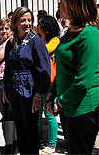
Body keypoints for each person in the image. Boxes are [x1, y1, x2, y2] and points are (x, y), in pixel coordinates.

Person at [45, 0, 99, 154]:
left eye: (61, 2)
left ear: (73, 5)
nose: (58, 6)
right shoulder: (70, 33)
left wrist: (59, 103)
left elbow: (84, 80)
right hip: (68, 105)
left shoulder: (89, 35)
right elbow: (62, 69)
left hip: (82, 108)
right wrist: (52, 95)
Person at [3, 6, 51, 154]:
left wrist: (38, 94)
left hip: (29, 90)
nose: (27, 24)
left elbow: (43, 69)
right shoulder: (11, 43)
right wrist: (6, 88)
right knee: (19, 126)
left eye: (29, 20)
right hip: (14, 89)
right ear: (15, 23)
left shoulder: (35, 41)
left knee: (30, 128)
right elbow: (8, 66)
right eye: (23, 20)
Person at [36, 15, 60, 155]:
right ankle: (38, 137)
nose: (36, 25)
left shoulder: (55, 41)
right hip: (39, 81)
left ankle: (52, 143)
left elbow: (43, 52)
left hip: (50, 82)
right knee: (38, 111)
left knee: (50, 113)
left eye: (39, 24)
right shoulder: (39, 39)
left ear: (45, 28)